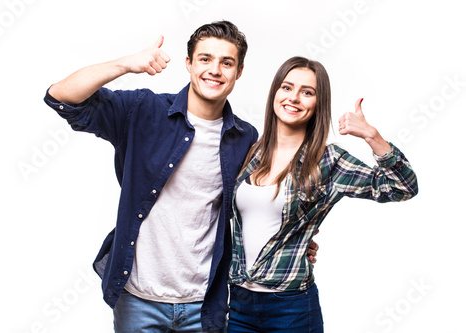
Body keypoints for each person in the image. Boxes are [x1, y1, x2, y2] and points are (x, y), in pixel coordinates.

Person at [43, 21, 318, 332]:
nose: (215, 70)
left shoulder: (244, 138)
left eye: (226, 62)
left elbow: (257, 206)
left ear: (239, 72)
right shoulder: (143, 110)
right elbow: (62, 97)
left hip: (206, 303)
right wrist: (125, 64)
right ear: (189, 64)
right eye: (205, 59)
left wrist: (291, 241)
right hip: (138, 300)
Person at [227, 56, 419, 332]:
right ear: (275, 93)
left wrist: (371, 136)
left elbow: (403, 187)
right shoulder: (253, 151)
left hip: (290, 307)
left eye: (307, 92)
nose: (294, 98)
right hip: (240, 303)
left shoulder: (328, 161)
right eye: (286, 88)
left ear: (319, 103)